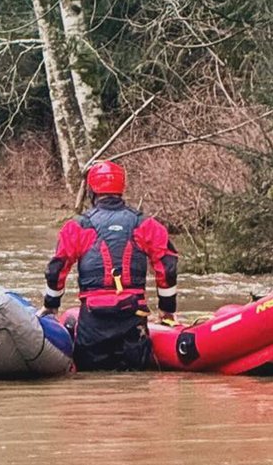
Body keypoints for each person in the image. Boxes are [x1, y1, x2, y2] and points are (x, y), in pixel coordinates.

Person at [43, 159, 178, 372]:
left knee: (91, 380)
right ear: (121, 189)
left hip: (93, 321)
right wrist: (167, 310)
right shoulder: (145, 224)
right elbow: (167, 267)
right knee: (135, 379)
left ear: (92, 190)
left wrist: (51, 305)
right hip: (133, 318)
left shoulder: (77, 226)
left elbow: (56, 269)